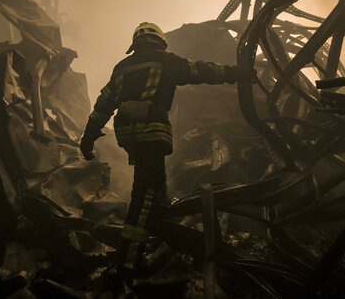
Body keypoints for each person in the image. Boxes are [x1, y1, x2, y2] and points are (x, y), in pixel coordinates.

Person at [80, 22, 254, 278]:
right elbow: (202, 71)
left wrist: (88, 136)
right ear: (159, 42)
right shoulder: (166, 61)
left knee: (157, 191)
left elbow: (103, 104)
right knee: (145, 196)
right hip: (152, 134)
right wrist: (238, 73)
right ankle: (128, 262)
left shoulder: (122, 67)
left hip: (129, 136)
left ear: (135, 45)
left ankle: (160, 238)